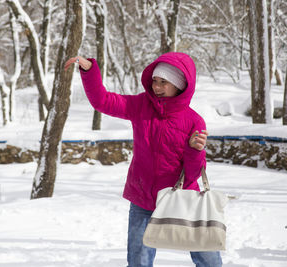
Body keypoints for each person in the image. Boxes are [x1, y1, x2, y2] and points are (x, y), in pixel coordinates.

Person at [65, 52, 222, 267]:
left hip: (182, 198)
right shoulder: (141, 105)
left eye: (164, 82)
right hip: (144, 198)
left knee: (209, 259)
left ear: (180, 84)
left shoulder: (194, 121)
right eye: (155, 81)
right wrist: (88, 70)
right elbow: (102, 101)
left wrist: (196, 151)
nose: (157, 87)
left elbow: (194, 173)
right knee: (138, 261)